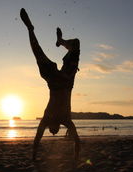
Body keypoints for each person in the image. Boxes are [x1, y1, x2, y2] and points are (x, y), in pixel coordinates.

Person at [20, 8, 80, 160]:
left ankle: (30, 29)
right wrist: (76, 157)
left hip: (56, 81)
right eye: (55, 130)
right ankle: (61, 42)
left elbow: (37, 138)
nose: (53, 129)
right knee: (75, 44)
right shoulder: (64, 120)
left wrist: (33, 156)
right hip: (66, 81)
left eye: (51, 130)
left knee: (38, 53)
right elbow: (77, 141)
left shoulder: (48, 119)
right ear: (58, 126)